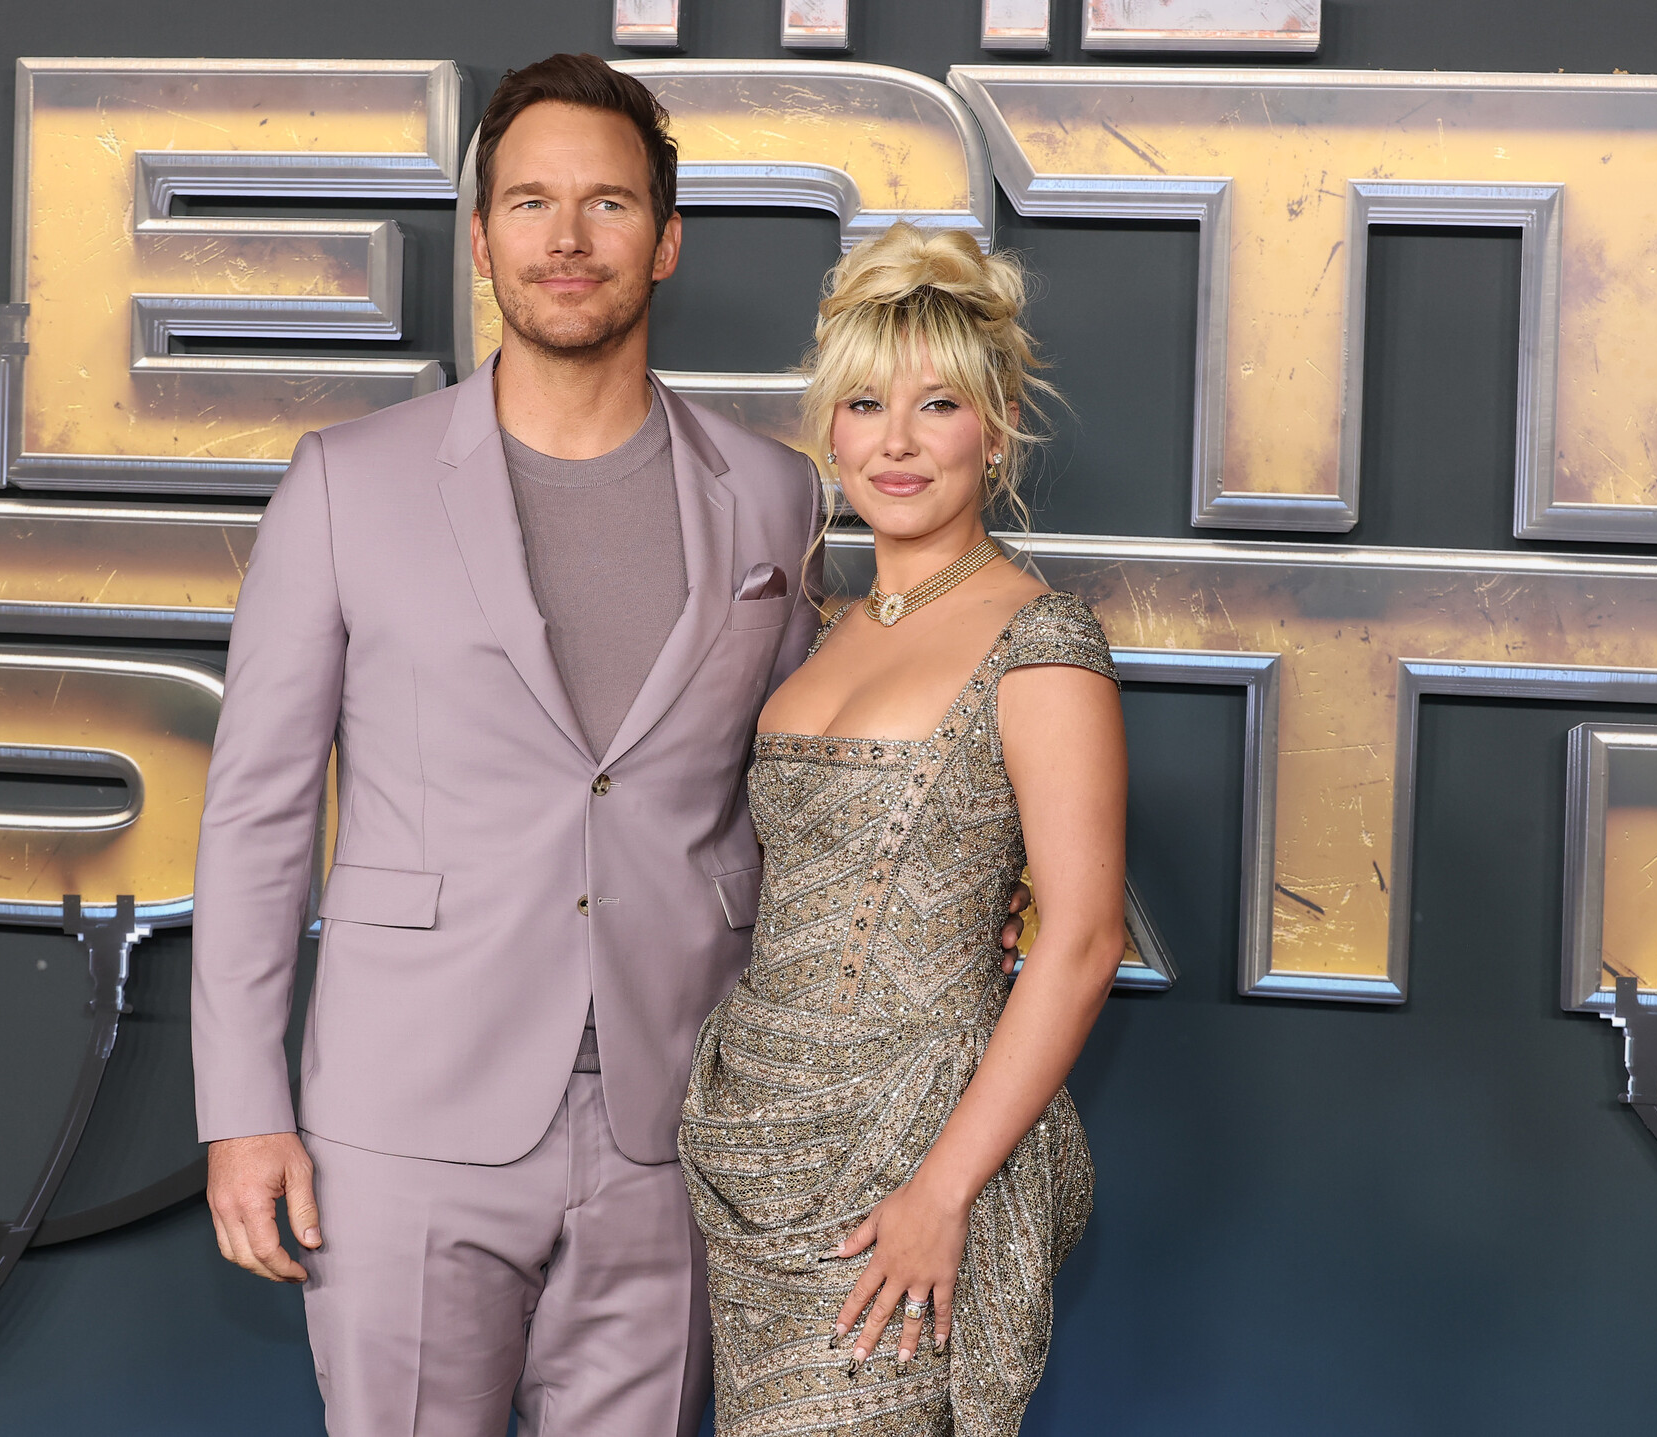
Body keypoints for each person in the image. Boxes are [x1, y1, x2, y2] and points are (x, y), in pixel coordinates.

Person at [189, 56, 1026, 1437]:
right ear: (481, 239)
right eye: (530, 202)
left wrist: (959, 889)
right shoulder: (345, 484)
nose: (567, 239)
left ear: (667, 239)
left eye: (609, 204)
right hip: (404, 1120)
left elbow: (798, 785)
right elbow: (256, 820)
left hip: (682, 1119)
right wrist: (241, 1108)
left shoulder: (773, 496)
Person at [680, 223, 1129, 1436]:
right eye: (865, 404)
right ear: (829, 431)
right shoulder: (821, 629)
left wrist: (944, 1191)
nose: (896, 442)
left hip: (909, 1157)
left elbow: (1084, 941)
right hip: (755, 1140)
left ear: (998, 428)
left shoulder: (1041, 642)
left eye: (937, 406)